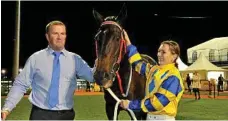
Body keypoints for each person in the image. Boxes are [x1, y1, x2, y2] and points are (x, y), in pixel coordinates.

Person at [1, 20, 96, 120]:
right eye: (55, 33)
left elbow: (92, 77)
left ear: (65, 36)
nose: (59, 37)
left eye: (62, 33)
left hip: (66, 116)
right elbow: (20, 85)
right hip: (40, 115)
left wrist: (101, 62)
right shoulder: (36, 58)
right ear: (47, 36)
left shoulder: (76, 59)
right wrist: (7, 108)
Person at [120, 30, 184, 120]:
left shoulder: (173, 77)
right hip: (149, 117)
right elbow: (137, 63)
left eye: (163, 52)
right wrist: (127, 41)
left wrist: (131, 104)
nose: (159, 54)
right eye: (158, 51)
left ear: (174, 56)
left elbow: (158, 102)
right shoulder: (154, 69)